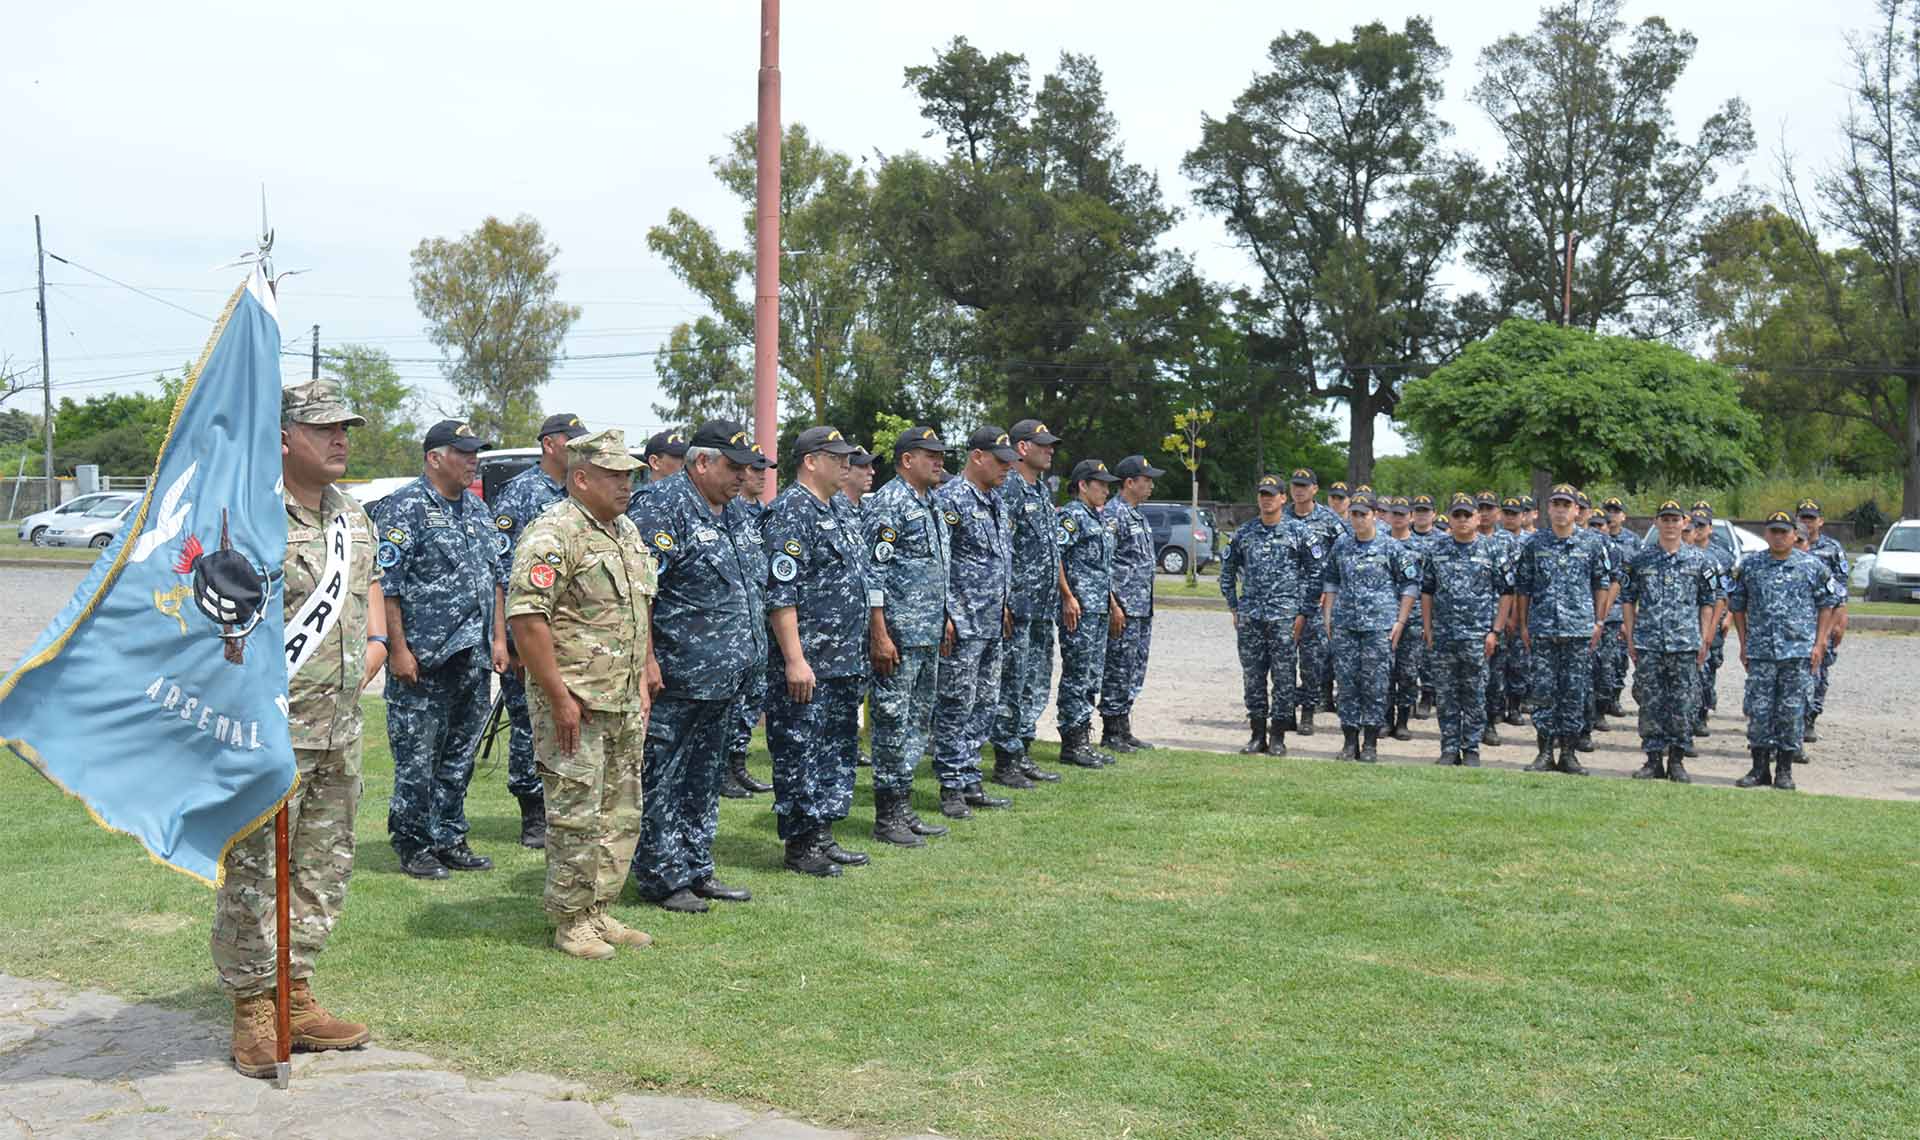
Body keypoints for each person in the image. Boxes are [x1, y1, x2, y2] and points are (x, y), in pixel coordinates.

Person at [215, 379, 385, 1078]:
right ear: (283, 438)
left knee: (323, 868)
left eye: (345, 428)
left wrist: (377, 644)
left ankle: (297, 988)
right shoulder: (250, 515)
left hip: (339, 729)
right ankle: (254, 1005)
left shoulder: (352, 514)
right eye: (323, 428)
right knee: (256, 873)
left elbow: (369, 590)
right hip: (271, 734)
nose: (340, 439)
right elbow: (218, 622)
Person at [507, 429, 657, 959]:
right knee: (575, 814)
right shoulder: (555, 533)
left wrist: (645, 675)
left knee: (619, 812)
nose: (626, 484)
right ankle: (570, 920)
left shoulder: (626, 532)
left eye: (629, 475)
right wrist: (559, 697)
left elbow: (639, 607)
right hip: (575, 704)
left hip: (622, 700)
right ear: (581, 478)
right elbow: (527, 620)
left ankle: (598, 909)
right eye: (614, 475)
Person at [626, 421, 762, 913]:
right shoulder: (661, 507)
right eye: (733, 466)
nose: (742, 476)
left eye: (746, 468)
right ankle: (663, 876)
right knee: (663, 776)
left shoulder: (737, 512)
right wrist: (646, 661)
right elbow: (640, 595)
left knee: (704, 777)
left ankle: (697, 867)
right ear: (701, 462)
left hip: (726, 677)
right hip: (677, 675)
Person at [370, 419, 507, 880]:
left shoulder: (476, 508)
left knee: (459, 756)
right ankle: (413, 844)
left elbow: (494, 578)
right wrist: (398, 650)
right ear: (434, 458)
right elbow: (387, 586)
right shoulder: (405, 507)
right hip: (424, 659)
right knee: (418, 760)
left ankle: (449, 836)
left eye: (475, 453)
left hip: (472, 657)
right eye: (464, 453)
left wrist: (498, 639)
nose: (473, 461)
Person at [764, 426, 871, 874]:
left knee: (835, 749)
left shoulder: (839, 508)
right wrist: (794, 659)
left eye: (848, 457)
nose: (847, 464)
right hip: (809, 661)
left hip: (842, 659)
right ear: (810, 461)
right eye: (837, 457)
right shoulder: (791, 511)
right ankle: (801, 843)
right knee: (800, 751)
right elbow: (781, 593)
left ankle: (823, 833)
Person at [491, 412, 590, 849]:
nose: (579, 448)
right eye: (572, 441)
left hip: (571, 636)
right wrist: (507, 642)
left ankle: (562, 806)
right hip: (529, 632)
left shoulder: (580, 490)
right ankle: (532, 811)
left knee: (566, 722)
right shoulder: (521, 494)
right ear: (550, 444)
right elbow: (501, 572)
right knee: (528, 724)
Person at [862, 426, 956, 840]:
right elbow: (873, 574)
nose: (939, 461)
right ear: (907, 460)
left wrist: (945, 616)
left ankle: (904, 804)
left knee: (918, 722)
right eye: (930, 455)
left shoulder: (931, 501)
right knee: (891, 721)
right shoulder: (890, 503)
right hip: (898, 638)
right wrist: (879, 634)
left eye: (940, 455)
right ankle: (888, 815)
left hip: (927, 633)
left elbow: (935, 568)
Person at [932, 427, 1018, 814]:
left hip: (991, 622)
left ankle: (970, 778)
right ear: (977, 456)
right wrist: (946, 612)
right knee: (956, 705)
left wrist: (1003, 604)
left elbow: (998, 560)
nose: (1007, 467)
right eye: (1001, 461)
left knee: (984, 703)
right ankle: (950, 785)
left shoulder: (996, 500)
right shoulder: (950, 499)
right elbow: (940, 561)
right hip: (962, 623)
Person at [1727, 512, 1842, 791]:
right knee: (1759, 710)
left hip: (1797, 652)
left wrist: (1820, 642)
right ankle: (1759, 769)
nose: (1778, 537)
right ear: (1766, 534)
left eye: (1784, 532)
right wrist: (1744, 642)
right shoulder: (1751, 565)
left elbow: (1828, 603)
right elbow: (1738, 605)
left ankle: (1784, 771)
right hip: (1761, 651)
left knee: (1791, 712)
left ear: (1794, 535)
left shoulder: (1812, 566)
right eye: (1774, 531)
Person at [1511, 485, 1611, 776]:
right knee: (1543, 692)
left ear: (1577, 510)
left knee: (1573, 693)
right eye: (1556, 504)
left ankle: (1568, 753)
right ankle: (1544, 752)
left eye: (1566, 505)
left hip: (1578, 630)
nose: (1561, 510)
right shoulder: (1534, 543)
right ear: (1548, 509)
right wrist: (1524, 624)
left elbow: (1601, 584)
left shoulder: (1592, 544)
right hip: (1543, 629)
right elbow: (1523, 587)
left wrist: (1598, 621)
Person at [1619, 501, 1716, 783]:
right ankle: (1652, 760)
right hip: (1649, 642)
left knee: (1683, 703)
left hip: (1684, 644)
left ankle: (1676, 760)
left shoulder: (1699, 560)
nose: (1671, 524)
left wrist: (1703, 638)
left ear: (1684, 522)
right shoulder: (1640, 560)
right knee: (1650, 702)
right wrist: (1631, 635)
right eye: (1665, 519)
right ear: (1656, 522)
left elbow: (1707, 602)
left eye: (1675, 519)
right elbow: (1628, 600)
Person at [1319, 492, 1419, 762]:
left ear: (1375, 515)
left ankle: (1371, 743)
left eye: (1363, 514)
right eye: (1354, 514)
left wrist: (1400, 621)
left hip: (1379, 627)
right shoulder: (1341, 545)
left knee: (1376, 685)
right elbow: (1331, 581)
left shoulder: (1391, 547)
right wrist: (1328, 617)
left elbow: (1410, 584)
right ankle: (1350, 742)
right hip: (1345, 625)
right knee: (1347, 684)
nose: (1358, 519)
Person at [992, 419, 1066, 786]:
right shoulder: (1010, 489)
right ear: (1022, 448)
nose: (1050, 450)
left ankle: (1022, 750)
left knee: (1034, 683)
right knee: (1013, 684)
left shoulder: (1040, 491)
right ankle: (1006, 760)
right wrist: (1004, 600)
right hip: (1018, 608)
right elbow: (1001, 549)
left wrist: (1063, 594)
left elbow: (1050, 549)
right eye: (1043, 444)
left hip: (1041, 607)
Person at [1219, 474, 1311, 756]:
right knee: (1253, 678)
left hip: (1284, 618)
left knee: (1284, 678)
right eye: (1262, 494)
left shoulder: (1298, 532)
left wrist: (1303, 612)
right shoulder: (1244, 533)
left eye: (1272, 494)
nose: (1266, 499)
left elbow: (1316, 574)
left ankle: (1278, 737)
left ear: (1283, 498)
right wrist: (1234, 606)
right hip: (1251, 617)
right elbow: (1227, 570)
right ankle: (1257, 735)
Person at [1421, 494, 1512, 766]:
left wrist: (1495, 631)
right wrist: (1428, 628)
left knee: (1475, 694)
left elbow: (1507, 592)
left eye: (1467, 515)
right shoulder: (1436, 549)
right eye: (1457, 515)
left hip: (1477, 636)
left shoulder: (1492, 550)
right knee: (1446, 695)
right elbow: (1427, 591)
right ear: (1449, 518)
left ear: (1477, 518)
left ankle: (1471, 748)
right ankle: (1449, 748)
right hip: (1444, 635)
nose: (1462, 520)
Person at [1055, 460, 1122, 768]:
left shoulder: (1097, 518)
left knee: (1092, 675)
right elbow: (1056, 556)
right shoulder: (1072, 516)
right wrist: (1067, 596)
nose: (1106, 491)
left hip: (1097, 609)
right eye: (1101, 484)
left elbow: (1101, 569)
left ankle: (1083, 737)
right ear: (1083, 485)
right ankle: (1072, 742)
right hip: (1078, 610)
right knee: (1077, 675)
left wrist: (1111, 603)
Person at [720, 444, 777, 800]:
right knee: (731, 702)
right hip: (733, 627)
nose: (759, 476)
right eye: (755, 469)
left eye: (763, 470)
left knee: (752, 698)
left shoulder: (763, 513)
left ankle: (737, 763)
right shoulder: (731, 510)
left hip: (758, 621)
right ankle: (724, 768)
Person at [1098, 454, 1164, 753]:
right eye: (1146, 480)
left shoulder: (1137, 515)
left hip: (1140, 607)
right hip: (1122, 608)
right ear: (1129, 482)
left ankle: (1124, 728)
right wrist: (1113, 605)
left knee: (1133, 669)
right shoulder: (1114, 514)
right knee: (1118, 669)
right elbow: (1103, 564)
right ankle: (1111, 731)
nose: (1151, 485)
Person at [1283, 470, 1346, 736]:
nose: (1299, 490)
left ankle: (1308, 712)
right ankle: (1285, 712)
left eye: (1304, 486)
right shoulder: (1281, 517)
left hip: (1315, 601)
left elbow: (1344, 554)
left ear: (1314, 489)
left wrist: (1331, 590)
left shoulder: (1330, 520)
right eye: (1295, 485)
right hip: (1283, 601)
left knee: (1312, 661)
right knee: (1283, 660)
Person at [1796, 499, 1849, 742]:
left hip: (1825, 617)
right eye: (1803, 517)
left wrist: (1840, 621)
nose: (1807, 522)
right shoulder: (1789, 543)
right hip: (1796, 620)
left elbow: (1841, 590)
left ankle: (1810, 718)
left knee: (1819, 669)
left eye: (1811, 518)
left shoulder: (1832, 548)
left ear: (1820, 521)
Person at [1689, 509, 1734, 744]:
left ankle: (1702, 712)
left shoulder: (1720, 557)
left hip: (1711, 620)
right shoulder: (1683, 553)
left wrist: (1727, 617)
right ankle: (1690, 716)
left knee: (1708, 668)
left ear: (1709, 528)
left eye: (1701, 525)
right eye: (1693, 525)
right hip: (1687, 622)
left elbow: (1725, 592)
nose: (1697, 530)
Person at [1382, 496, 1424, 741]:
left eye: (1402, 514)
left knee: (1408, 672)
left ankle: (1403, 720)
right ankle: (1386, 719)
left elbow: (1427, 586)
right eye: (1394, 513)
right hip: (1384, 616)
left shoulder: (1422, 547)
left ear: (1411, 517)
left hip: (1413, 619)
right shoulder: (1379, 543)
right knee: (1385, 670)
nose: (1397, 518)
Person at [1492, 495, 1531, 729]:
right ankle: (1497, 707)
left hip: (1522, 609)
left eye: (1514, 514)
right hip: (1497, 609)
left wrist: (1516, 616)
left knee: (1518, 663)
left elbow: (1524, 583)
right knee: (1497, 663)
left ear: (1523, 516)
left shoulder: (1531, 542)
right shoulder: (1493, 540)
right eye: (1506, 513)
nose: (1510, 518)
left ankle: (1515, 706)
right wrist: (1504, 615)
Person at [1407, 494, 1442, 717]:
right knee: (1408, 657)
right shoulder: (1402, 537)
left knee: (1430, 653)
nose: (1421, 515)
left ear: (1434, 514)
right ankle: (1408, 698)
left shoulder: (1443, 541)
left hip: (1433, 605)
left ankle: (1428, 694)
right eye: (1418, 511)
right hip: (1408, 605)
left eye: (1425, 511)